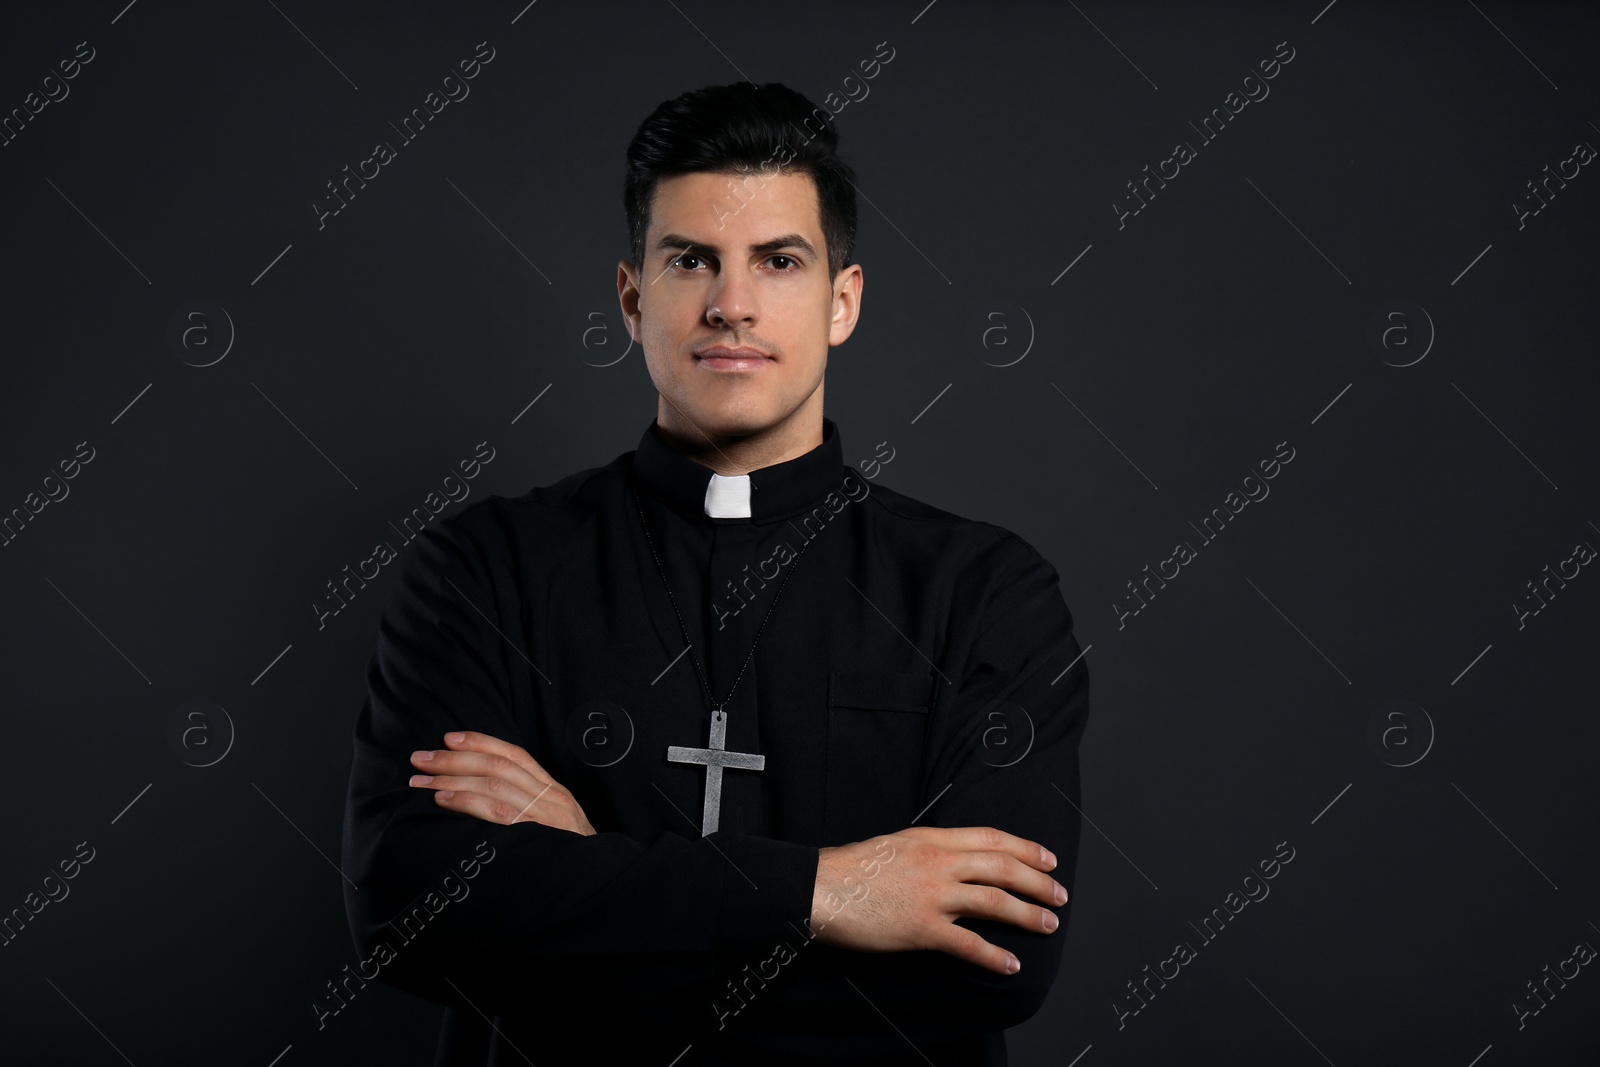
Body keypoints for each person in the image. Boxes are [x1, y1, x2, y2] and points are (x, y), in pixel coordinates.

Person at [341, 80, 1091, 1067]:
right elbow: (412, 909)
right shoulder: (481, 569)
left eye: (778, 261)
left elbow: (990, 961)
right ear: (631, 295)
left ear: (841, 302)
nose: (731, 304)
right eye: (690, 259)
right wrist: (824, 892)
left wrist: (577, 877)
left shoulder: (983, 591)